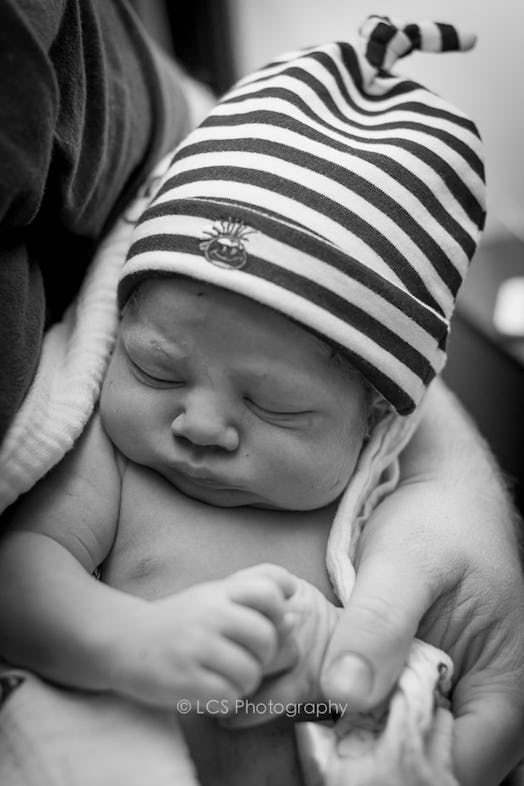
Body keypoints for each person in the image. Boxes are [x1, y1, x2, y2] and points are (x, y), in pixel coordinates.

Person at [0, 4, 523, 785]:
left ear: (377, 420)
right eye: (155, 367)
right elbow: (15, 579)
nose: (200, 424)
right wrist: (134, 642)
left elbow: (377, 688)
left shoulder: (377, 499)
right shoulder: (118, 468)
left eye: (276, 407)